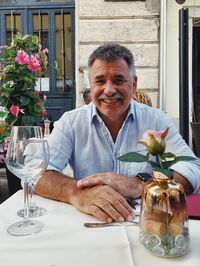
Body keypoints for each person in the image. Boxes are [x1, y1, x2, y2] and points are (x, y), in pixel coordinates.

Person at [35, 44, 200, 223]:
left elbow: (192, 169)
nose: (109, 90)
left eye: (118, 80)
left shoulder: (156, 120)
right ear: (91, 85)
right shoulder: (71, 122)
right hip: (90, 224)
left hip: (148, 226)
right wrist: (76, 193)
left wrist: (141, 184)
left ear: (134, 84)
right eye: (100, 81)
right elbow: (37, 173)